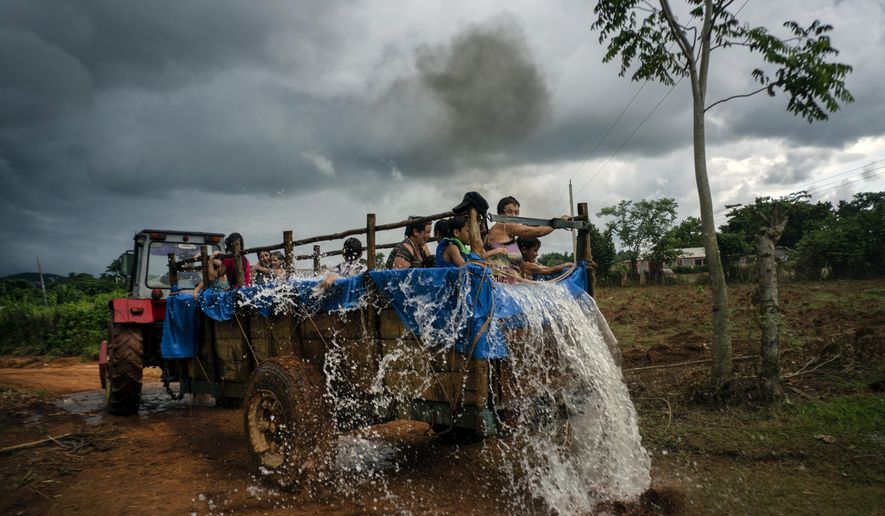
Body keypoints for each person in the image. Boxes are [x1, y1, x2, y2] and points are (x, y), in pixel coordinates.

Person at [485, 196, 554, 277]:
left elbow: (523, 266)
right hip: (500, 285)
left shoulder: (507, 234)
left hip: (510, 283)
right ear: (500, 214)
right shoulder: (502, 226)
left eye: (516, 212)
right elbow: (539, 231)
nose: (513, 215)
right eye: (509, 212)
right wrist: (557, 223)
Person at [436, 215, 507, 268]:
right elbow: (464, 266)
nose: (472, 235)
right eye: (468, 231)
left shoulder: (463, 249)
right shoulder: (452, 248)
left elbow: (478, 257)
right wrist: (495, 251)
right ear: (456, 232)